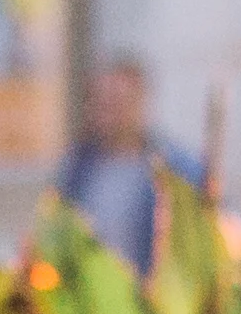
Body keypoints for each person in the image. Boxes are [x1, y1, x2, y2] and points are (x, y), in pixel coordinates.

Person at [53, 57, 191, 263]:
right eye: (99, 101)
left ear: (139, 103)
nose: (106, 112)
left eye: (116, 102)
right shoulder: (77, 168)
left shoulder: (176, 170)